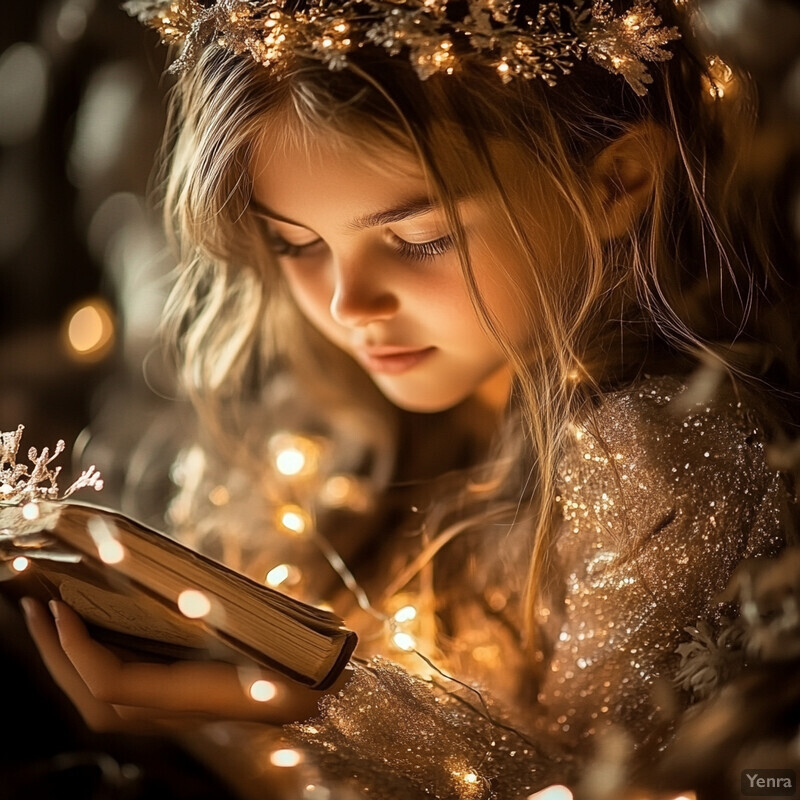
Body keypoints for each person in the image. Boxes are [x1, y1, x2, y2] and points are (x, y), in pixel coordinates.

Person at [20, 0, 800, 797]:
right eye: (297, 245)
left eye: (419, 238)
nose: (346, 305)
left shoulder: (655, 463)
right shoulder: (334, 427)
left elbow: (596, 783)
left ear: (615, 183)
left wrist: (302, 709)